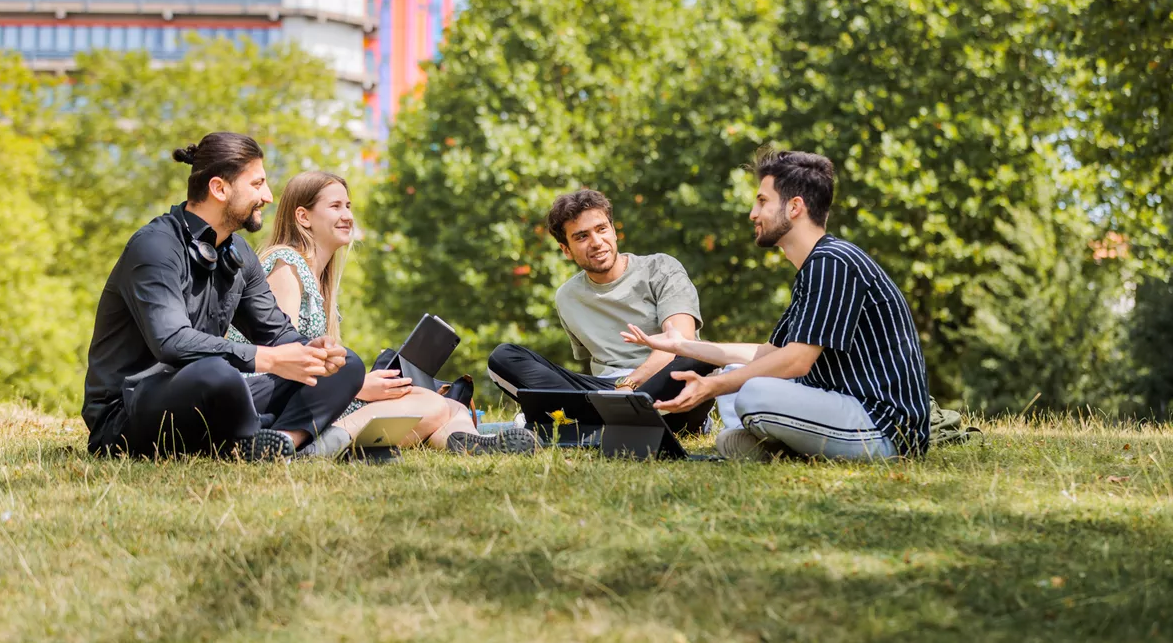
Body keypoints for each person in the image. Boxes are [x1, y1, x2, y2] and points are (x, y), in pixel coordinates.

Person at [622, 148, 931, 461]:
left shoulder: (834, 263)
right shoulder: (815, 267)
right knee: (735, 413)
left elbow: (796, 362)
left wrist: (712, 386)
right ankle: (788, 451)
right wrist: (683, 345)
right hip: (847, 412)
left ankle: (784, 447)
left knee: (753, 392)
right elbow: (765, 354)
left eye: (762, 201)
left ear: (795, 207)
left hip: (887, 430)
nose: (753, 214)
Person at [82, 132, 365, 461]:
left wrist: (313, 351)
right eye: (257, 184)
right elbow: (172, 341)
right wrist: (271, 360)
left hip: (212, 396)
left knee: (347, 365)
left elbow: (276, 333)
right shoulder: (155, 246)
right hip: (128, 412)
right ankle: (253, 434)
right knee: (217, 374)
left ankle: (281, 441)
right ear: (219, 189)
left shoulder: (238, 252)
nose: (269, 196)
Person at [228, 171, 536, 457]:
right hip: (277, 405)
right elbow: (282, 358)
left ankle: (473, 444)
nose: (347, 215)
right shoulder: (286, 265)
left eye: (348, 206)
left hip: (311, 396)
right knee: (427, 403)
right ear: (303, 216)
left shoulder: (320, 278)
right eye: (335, 206)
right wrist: (357, 385)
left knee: (448, 406)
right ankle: (312, 449)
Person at [487, 189, 716, 435]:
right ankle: (605, 421)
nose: (596, 242)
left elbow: (681, 343)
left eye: (602, 229)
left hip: (664, 383)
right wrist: (615, 392)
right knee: (504, 357)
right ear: (566, 249)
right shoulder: (567, 297)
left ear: (614, 232)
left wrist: (630, 384)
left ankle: (582, 424)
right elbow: (592, 366)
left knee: (699, 356)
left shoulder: (661, 268)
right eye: (582, 236)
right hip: (606, 391)